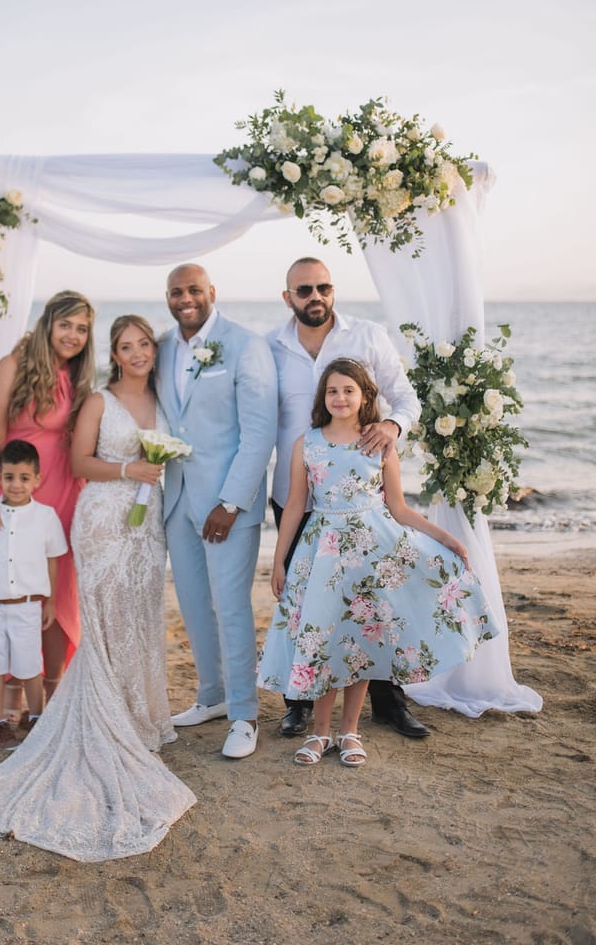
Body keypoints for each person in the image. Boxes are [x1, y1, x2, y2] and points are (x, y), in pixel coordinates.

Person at [0, 315, 195, 861]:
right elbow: (81, 461)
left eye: (142, 345)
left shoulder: (167, 398)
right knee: (103, 616)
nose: (135, 353)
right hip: (103, 519)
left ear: (154, 353)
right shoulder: (96, 401)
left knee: (140, 617)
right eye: (124, 345)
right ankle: (81, 708)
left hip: (147, 524)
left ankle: (140, 713)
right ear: (114, 353)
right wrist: (130, 470)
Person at [257, 359, 498, 767]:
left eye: (349, 390)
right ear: (323, 397)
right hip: (323, 556)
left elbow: (400, 508)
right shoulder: (308, 443)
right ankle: (320, 733)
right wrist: (279, 561)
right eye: (332, 391)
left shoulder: (380, 444)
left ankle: (349, 731)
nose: (340, 398)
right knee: (323, 639)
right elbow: (296, 505)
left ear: (365, 396)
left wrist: (444, 537)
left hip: (372, 553)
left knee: (361, 642)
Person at [267, 256, 430, 740]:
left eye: (323, 287)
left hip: (363, 504)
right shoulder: (270, 347)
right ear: (288, 297)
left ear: (332, 290)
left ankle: (389, 703)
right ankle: (297, 703)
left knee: (372, 601)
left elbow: (406, 396)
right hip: (299, 496)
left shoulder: (368, 335)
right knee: (303, 604)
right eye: (304, 290)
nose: (314, 296)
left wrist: (391, 426)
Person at [156, 263, 277, 760]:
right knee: (193, 605)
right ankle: (211, 695)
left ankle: (245, 715)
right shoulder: (162, 346)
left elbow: (259, 433)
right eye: (176, 292)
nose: (186, 299)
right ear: (168, 297)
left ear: (211, 292)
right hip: (179, 497)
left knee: (230, 608)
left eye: (193, 290)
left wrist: (231, 502)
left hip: (226, 506)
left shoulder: (246, 345)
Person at [0, 290, 95, 706]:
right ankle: (11, 702)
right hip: (16, 496)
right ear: (48, 324)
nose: (73, 335)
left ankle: (52, 699)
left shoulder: (77, 376)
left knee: (58, 594)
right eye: (66, 325)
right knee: (16, 590)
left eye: (82, 329)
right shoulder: (14, 366)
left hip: (63, 496)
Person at [0, 439, 68, 750]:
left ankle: (38, 717)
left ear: (37, 479)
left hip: (28, 607)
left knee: (29, 669)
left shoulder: (46, 517)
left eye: (24, 478)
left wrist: (49, 601)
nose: (16, 484)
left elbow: (53, 559)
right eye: (9, 477)